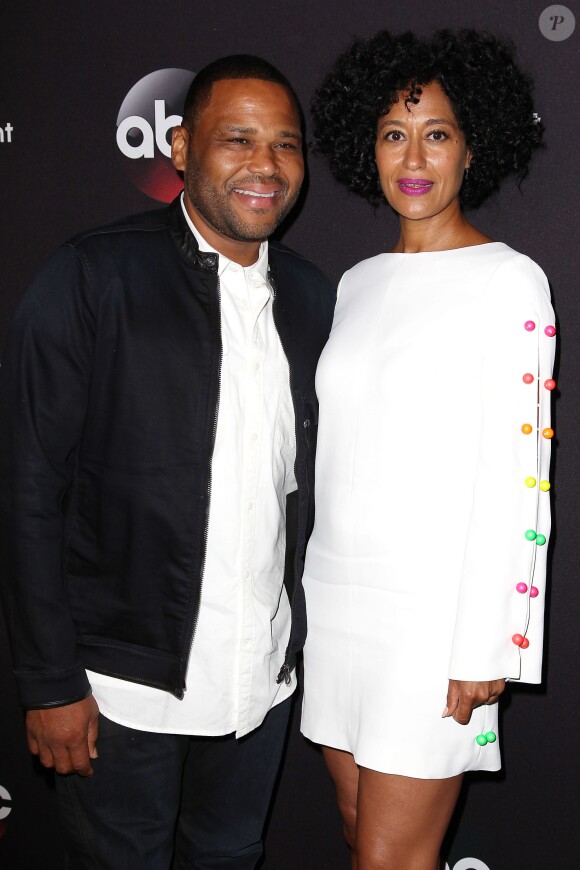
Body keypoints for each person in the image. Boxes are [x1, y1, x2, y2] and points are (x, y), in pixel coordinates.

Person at [0, 55, 335, 870]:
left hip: (259, 682)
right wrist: (50, 682)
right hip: (122, 688)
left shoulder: (314, 297)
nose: (265, 165)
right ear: (181, 149)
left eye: (285, 145)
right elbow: (29, 491)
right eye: (237, 139)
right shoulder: (92, 275)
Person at [300, 29, 555, 870]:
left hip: (434, 619)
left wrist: (494, 642)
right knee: (354, 833)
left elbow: (522, 473)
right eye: (393, 133)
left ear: (471, 146)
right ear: (365, 147)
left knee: (389, 860)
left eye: (437, 132)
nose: (414, 156)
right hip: (340, 605)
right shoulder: (357, 283)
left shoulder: (508, 278)